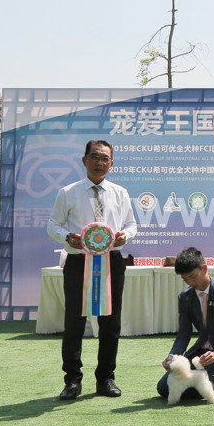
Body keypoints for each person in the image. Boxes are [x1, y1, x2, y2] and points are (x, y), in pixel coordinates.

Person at [47, 140, 137, 400]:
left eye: (105, 158)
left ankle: (106, 379)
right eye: (95, 157)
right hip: (78, 263)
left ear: (112, 163)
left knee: (111, 323)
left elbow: (131, 224)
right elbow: (53, 224)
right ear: (84, 160)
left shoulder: (120, 192)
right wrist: (67, 237)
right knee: (74, 324)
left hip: (112, 262)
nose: (100, 163)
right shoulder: (68, 192)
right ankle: (72, 381)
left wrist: (125, 236)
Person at [157, 247, 214, 400]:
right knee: (164, 387)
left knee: (192, 387)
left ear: (204, 268)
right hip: (200, 354)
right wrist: (172, 356)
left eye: (192, 277)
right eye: (185, 279)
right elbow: (184, 334)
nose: (190, 282)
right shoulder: (184, 297)